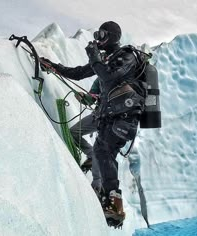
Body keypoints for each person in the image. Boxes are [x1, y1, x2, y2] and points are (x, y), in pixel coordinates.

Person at [40, 21, 146, 224]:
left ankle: (113, 203)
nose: (97, 38)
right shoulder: (107, 60)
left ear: (113, 36)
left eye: (102, 34)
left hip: (123, 119)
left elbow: (108, 76)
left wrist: (94, 54)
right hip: (107, 116)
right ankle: (107, 199)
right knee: (100, 152)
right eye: (97, 34)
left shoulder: (127, 56)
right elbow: (79, 73)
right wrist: (53, 66)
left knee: (104, 152)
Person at [70, 78, 102, 191]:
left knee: (102, 150)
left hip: (109, 119)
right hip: (100, 116)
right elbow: (91, 98)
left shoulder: (107, 74)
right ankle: (92, 156)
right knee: (74, 132)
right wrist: (84, 98)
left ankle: (98, 186)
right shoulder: (101, 77)